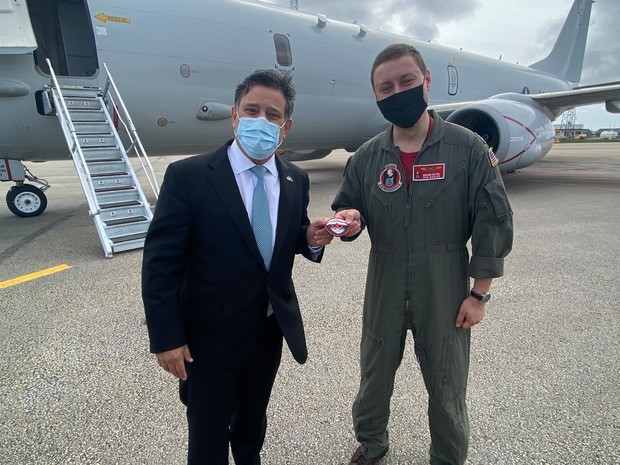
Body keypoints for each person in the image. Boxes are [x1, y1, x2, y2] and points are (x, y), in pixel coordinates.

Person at [331, 43, 514, 465]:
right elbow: (347, 206)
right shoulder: (366, 158)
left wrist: (479, 293)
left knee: (447, 381)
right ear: (377, 95)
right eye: (386, 87)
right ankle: (372, 444)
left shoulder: (468, 150)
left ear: (427, 81)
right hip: (385, 278)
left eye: (407, 81)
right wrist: (348, 219)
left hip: (444, 282)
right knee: (374, 374)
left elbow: (493, 219)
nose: (397, 92)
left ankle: (447, 457)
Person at [142, 69, 335, 465]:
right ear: (234, 116)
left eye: (272, 114)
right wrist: (166, 337)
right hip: (209, 339)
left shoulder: (295, 178)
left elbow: (291, 235)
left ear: (286, 127)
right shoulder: (189, 176)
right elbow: (161, 265)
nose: (261, 120)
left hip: (268, 331)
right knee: (208, 436)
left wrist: (310, 239)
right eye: (252, 110)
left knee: (251, 426)